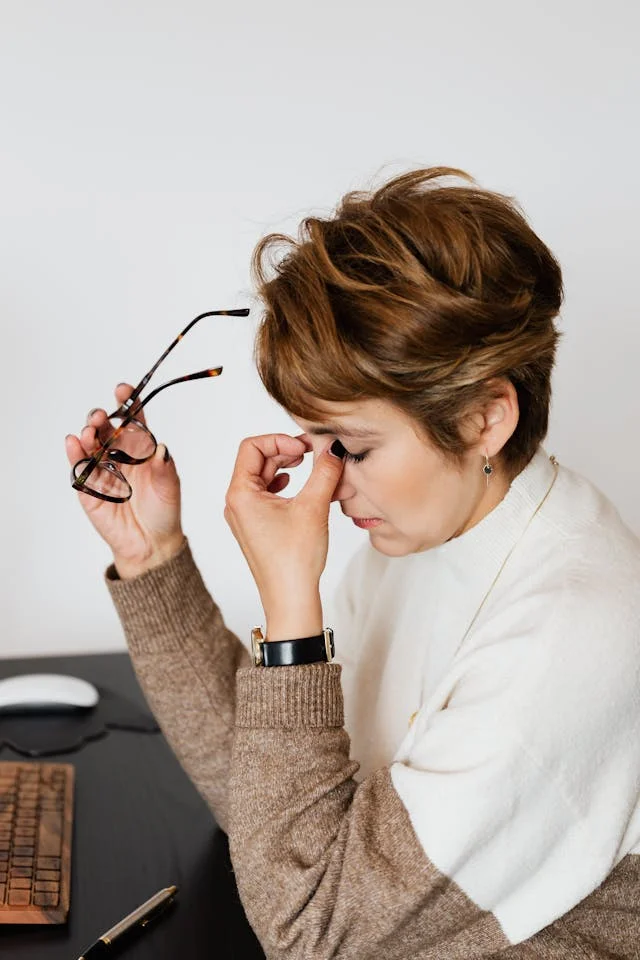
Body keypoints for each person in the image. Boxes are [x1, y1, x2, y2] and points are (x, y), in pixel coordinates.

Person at [65, 166, 640, 958]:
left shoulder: (572, 635)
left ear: (485, 419)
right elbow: (279, 818)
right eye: (319, 444)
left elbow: (310, 929)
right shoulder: (424, 540)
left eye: (356, 447)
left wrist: (290, 605)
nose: (328, 483)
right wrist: (153, 553)